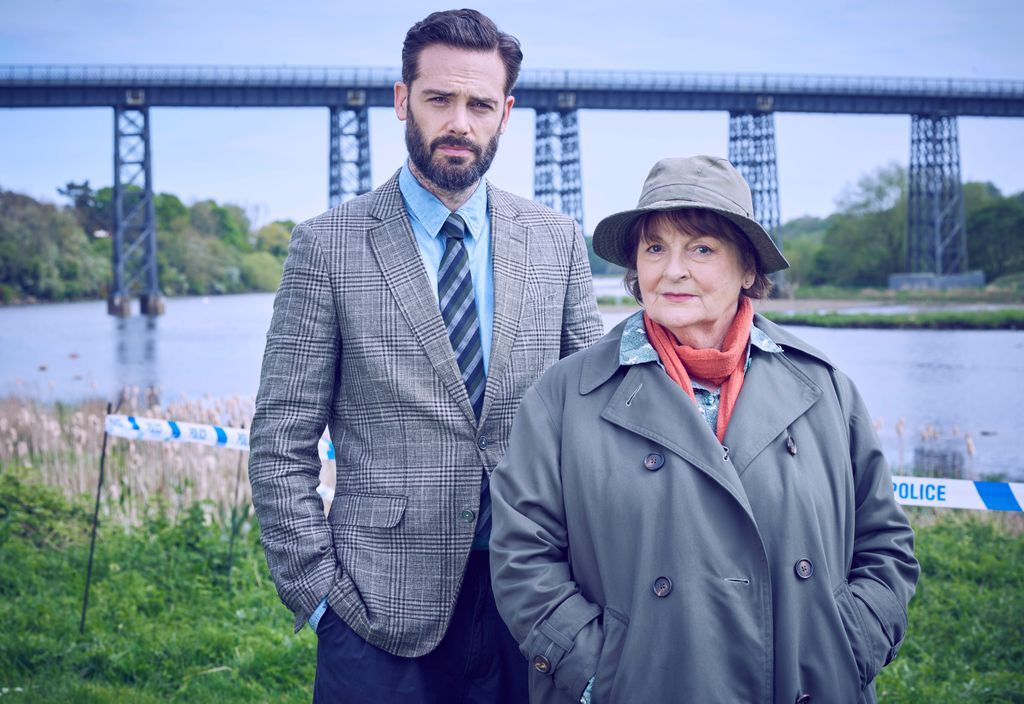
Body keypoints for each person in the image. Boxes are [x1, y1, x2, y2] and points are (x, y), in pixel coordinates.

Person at [248, 9, 603, 703]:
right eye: (440, 98)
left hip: (533, 599)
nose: (459, 123)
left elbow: (598, 416)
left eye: (479, 104)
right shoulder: (327, 247)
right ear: (402, 99)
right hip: (376, 613)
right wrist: (319, 598)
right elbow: (280, 439)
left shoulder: (558, 242)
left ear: (506, 112)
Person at [489, 155, 919, 703]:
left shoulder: (824, 387)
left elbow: (886, 544)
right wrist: (599, 673)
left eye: (701, 248)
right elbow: (522, 554)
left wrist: (848, 646)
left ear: (747, 269)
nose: (672, 270)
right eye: (654, 248)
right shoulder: (564, 395)